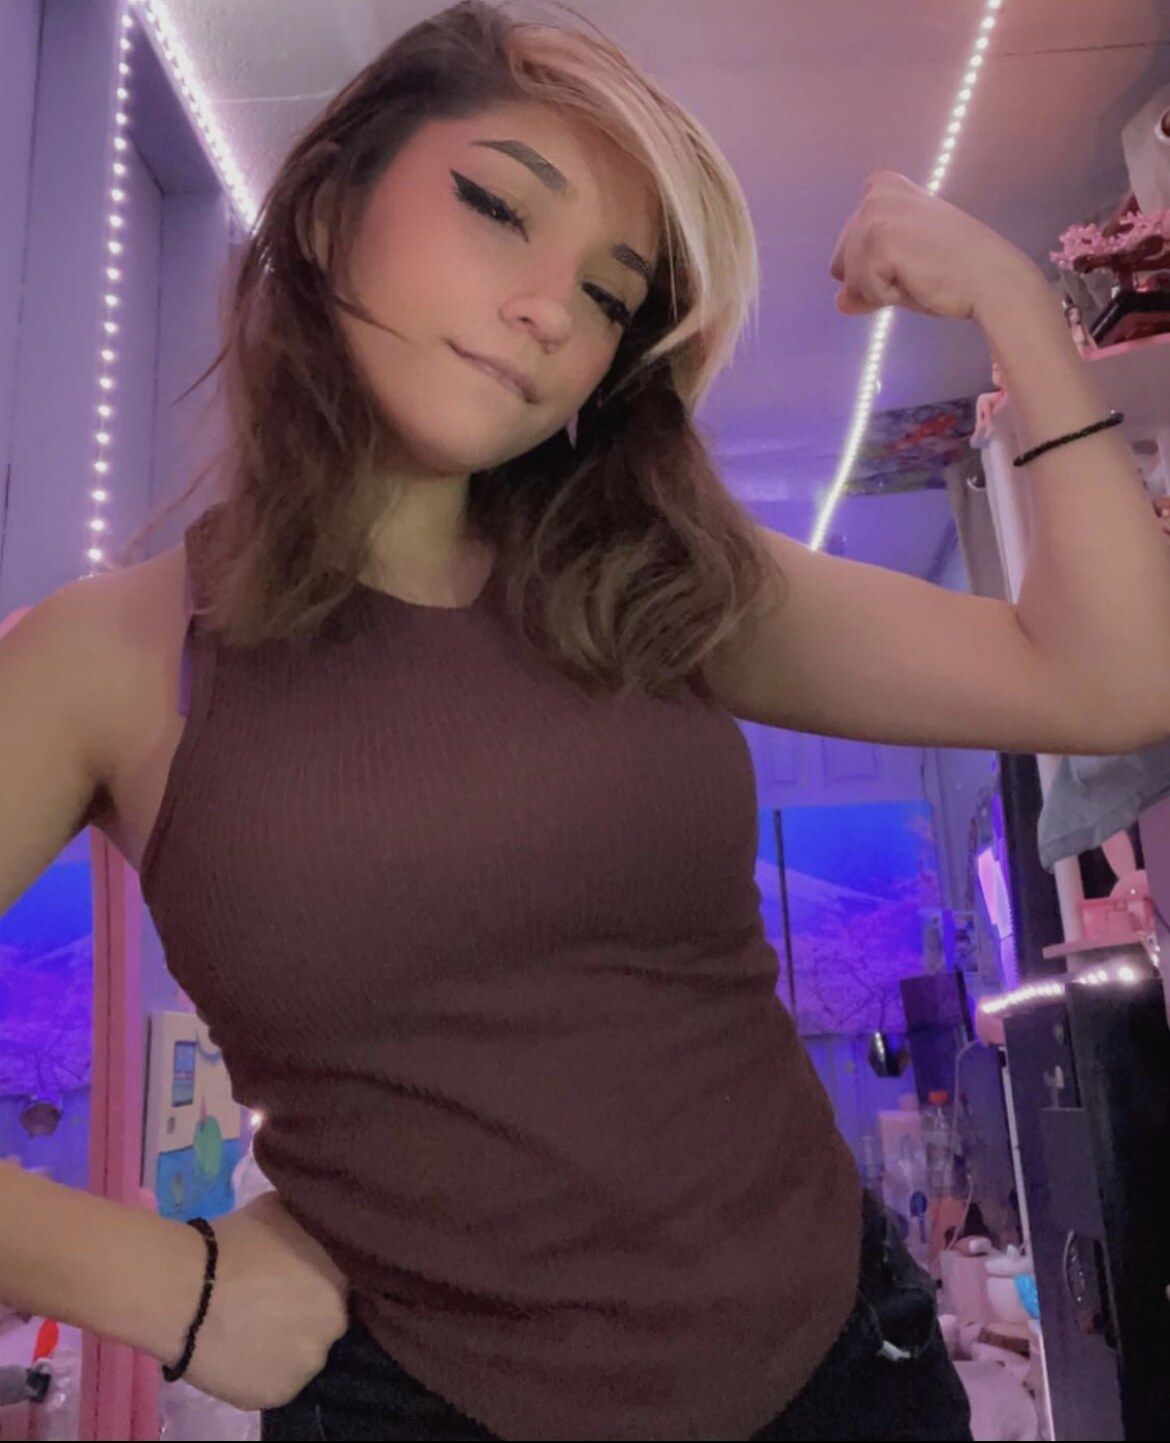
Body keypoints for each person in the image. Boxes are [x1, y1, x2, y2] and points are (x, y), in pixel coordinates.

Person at [2, 2, 1167, 1439]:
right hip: (422, 1407)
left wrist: (1015, 302)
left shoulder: (650, 577)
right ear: (327, 207)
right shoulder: (112, 660)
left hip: (842, 1373)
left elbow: (1108, 679)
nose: (552, 309)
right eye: (499, 208)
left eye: (609, 297)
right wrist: (157, 1286)